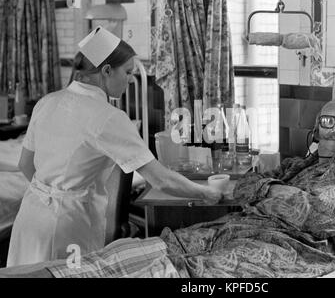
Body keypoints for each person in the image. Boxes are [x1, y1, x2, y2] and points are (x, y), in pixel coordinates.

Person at [2, 97, 335, 278]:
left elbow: (315, 213)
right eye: (328, 121)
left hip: (291, 249)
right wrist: (267, 189)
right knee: (130, 252)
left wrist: (264, 190)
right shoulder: (301, 164)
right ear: (316, 130)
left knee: (183, 274)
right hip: (235, 230)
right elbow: (248, 182)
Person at [6, 26, 222, 267]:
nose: (131, 80)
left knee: (26, 272)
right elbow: (160, 180)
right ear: (106, 71)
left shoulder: (47, 102)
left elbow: (25, 165)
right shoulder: (108, 117)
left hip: (30, 217)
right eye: (128, 72)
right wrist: (206, 193)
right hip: (68, 226)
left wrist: (50, 193)